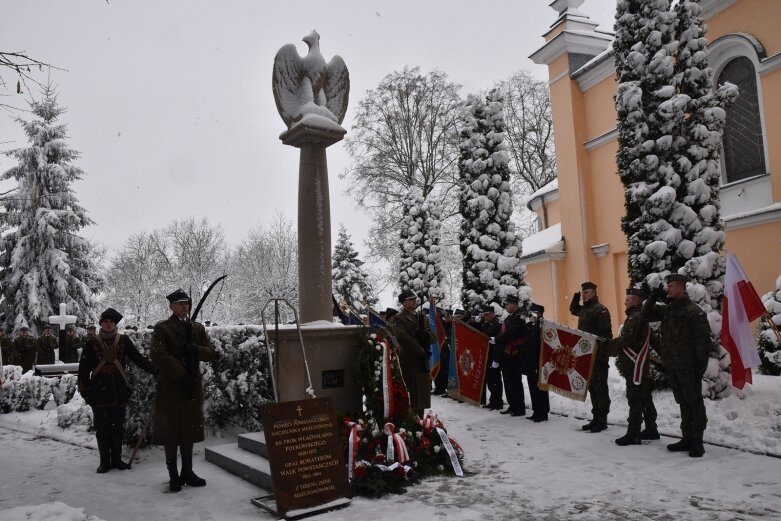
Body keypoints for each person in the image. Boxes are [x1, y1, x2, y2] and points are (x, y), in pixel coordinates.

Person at [150, 289, 216, 492]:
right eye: (180, 304)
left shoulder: (196, 328)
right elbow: (158, 355)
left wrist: (196, 350)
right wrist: (182, 374)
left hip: (191, 387)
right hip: (171, 386)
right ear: (171, 306)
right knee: (171, 431)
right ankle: (173, 475)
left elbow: (211, 352)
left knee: (189, 429)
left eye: (186, 303)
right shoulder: (163, 329)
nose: (184, 307)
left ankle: (187, 471)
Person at [78, 308, 157, 473]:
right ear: (101, 324)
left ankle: (117, 459)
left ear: (115, 324)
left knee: (118, 428)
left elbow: (138, 359)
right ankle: (104, 462)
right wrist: (86, 392)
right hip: (99, 393)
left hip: (119, 391)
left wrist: (156, 371)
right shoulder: (91, 343)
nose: (108, 325)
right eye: (105, 322)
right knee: (102, 429)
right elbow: (83, 370)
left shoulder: (124, 340)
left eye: (111, 322)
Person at [643, 274, 712, 457]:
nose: (668, 289)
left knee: (694, 403)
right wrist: (652, 297)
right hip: (673, 366)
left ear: (681, 287)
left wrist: (699, 369)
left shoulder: (693, 311)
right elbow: (646, 315)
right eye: (668, 286)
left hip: (689, 367)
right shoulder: (668, 309)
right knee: (683, 402)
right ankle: (686, 438)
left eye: (672, 286)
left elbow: (703, 344)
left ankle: (697, 441)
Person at [608, 288, 658, 445]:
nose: (625, 302)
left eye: (628, 299)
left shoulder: (634, 317)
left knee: (635, 399)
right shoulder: (639, 316)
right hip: (639, 365)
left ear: (636, 300)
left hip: (634, 366)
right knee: (644, 397)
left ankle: (633, 433)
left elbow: (627, 340)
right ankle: (651, 429)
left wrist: (607, 345)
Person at [570, 281, 613, 432]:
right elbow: (574, 310)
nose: (584, 294)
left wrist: (602, 355)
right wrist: (575, 299)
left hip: (598, 356)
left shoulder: (600, 310)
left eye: (586, 292)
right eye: (582, 293)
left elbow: (606, 335)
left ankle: (602, 420)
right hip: (587, 355)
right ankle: (596, 418)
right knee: (593, 388)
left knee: (601, 388)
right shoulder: (585, 309)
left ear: (594, 292)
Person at [389, 290, 433, 414]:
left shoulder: (422, 318)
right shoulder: (399, 318)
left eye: (415, 299)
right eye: (410, 299)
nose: (414, 301)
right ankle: (411, 425)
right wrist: (419, 349)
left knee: (422, 395)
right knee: (411, 394)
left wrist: (426, 337)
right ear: (403, 302)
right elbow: (402, 337)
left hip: (422, 361)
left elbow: (433, 335)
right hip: (409, 360)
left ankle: (421, 423)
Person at [491, 295, 527, 417]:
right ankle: (512, 405)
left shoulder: (519, 317)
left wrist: (496, 339)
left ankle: (519, 408)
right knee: (508, 381)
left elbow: (512, 334)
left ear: (514, 305)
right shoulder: (509, 318)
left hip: (516, 354)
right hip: (507, 354)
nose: (506, 306)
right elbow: (504, 333)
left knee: (515, 381)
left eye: (508, 304)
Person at [522, 304, 550, 422]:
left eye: (534, 313)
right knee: (533, 386)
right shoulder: (530, 325)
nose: (532, 315)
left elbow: (538, 341)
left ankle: (543, 412)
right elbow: (526, 339)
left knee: (541, 388)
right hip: (530, 361)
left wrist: (537, 325)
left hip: (540, 361)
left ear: (540, 313)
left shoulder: (544, 325)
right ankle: (536, 410)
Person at [480, 305, 503, 411]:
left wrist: (497, 359)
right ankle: (492, 401)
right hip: (486, 357)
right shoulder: (485, 325)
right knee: (490, 381)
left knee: (496, 381)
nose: (486, 316)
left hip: (493, 356)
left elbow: (499, 344)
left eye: (488, 314)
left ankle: (498, 402)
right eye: (484, 315)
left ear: (493, 314)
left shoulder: (498, 326)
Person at [432, 309, 452, 397]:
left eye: (448, 315)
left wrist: (448, 339)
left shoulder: (453, 326)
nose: (446, 317)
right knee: (439, 370)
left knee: (446, 371)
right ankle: (439, 388)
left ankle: (447, 389)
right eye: (445, 316)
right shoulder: (442, 325)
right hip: (440, 349)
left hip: (449, 350)